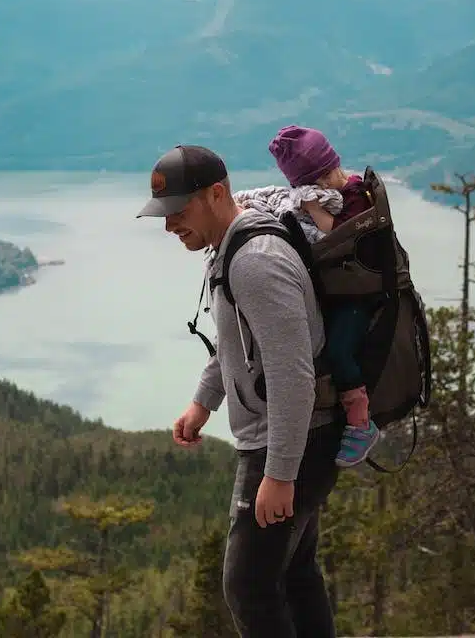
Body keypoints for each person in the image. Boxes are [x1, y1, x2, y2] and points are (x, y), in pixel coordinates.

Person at [136, 143, 342, 638]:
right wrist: (203, 401)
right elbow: (238, 344)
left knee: (248, 585)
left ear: (216, 194)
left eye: (178, 212)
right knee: (293, 574)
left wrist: (280, 473)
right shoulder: (233, 245)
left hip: (290, 442)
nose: (168, 226)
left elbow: (294, 375)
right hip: (297, 437)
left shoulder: (255, 261)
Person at [268, 124, 381, 467]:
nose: (312, 191)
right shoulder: (340, 191)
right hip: (344, 290)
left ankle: (361, 424)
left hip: (359, 296)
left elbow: (339, 235)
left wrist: (314, 209)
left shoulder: (356, 195)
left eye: (314, 184)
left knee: (339, 350)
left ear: (329, 170)